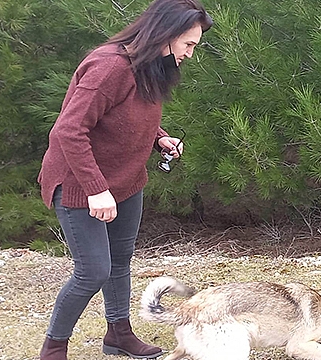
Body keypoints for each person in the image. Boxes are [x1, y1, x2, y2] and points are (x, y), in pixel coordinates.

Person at [36, 1, 213, 359]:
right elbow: (68, 132)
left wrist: (158, 137)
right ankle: (53, 347)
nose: (190, 54)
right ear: (165, 35)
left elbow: (124, 116)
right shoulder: (109, 66)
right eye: (188, 45)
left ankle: (118, 334)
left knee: (120, 259)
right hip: (79, 183)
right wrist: (96, 190)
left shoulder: (149, 66)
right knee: (93, 271)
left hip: (126, 181)